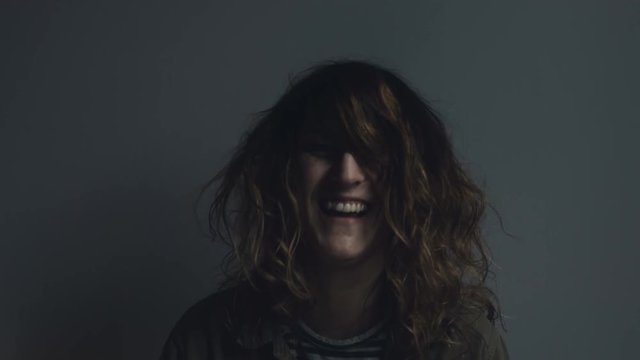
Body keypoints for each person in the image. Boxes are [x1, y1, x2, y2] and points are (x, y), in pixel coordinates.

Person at [160, 60, 509, 360]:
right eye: (322, 148)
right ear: (286, 173)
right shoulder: (205, 341)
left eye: (371, 152)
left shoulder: (464, 344)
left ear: (414, 182)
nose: (346, 173)